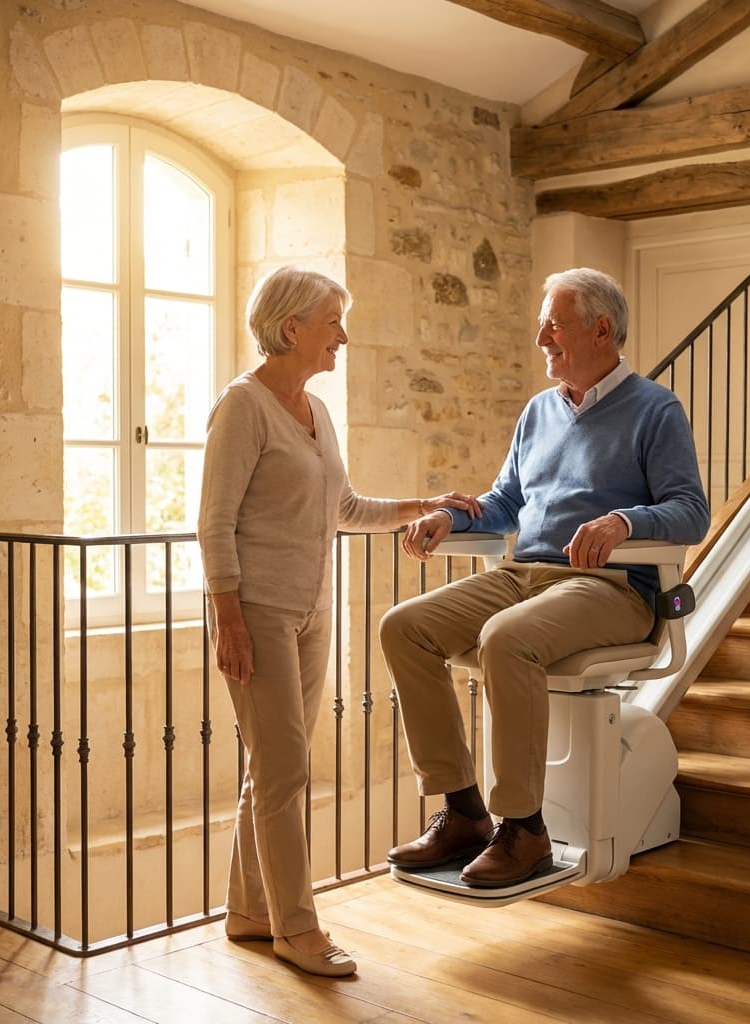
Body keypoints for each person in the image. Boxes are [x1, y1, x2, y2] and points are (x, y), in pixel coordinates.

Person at [380, 267, 709, 889]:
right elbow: (506, 502)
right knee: (405, 627)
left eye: (553, 325)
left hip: (611, 588)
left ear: (601, 329)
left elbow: (691, 510)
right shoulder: (538, 412)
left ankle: (524, 828)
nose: (541, 339)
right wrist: (449, 517)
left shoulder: (655, 409)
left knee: (507, 638)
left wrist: (624, 522)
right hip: (524, 574)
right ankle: (464, 812)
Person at [197, 266, 480, 976]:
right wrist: (227, 618)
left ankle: (249, 912)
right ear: (292, 328)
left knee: (273, 767)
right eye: (332, 323)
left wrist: (423, 505)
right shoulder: (242, 406)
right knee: (286, 768)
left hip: (311, 611)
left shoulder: (314, 413)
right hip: (254, 612)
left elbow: (344, 507)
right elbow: (214, 523)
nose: (342, 338)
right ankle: (297, 928)